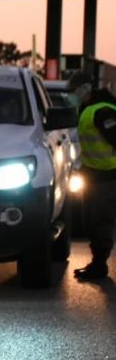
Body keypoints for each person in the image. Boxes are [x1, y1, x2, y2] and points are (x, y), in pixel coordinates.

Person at [67, 72, 116, 280]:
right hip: (94, 175)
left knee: (101, 221)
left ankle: (99, 265)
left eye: (73, 90)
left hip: (107, 176)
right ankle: (97, 263)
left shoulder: (103, 111)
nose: (71, 95)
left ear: (85, 88)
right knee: (92, 221)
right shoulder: (88, 109)